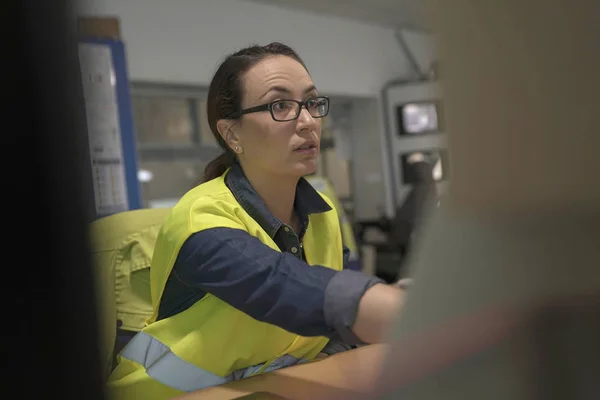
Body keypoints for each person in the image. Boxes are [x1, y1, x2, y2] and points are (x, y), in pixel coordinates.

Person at [107, 42, 404, 399]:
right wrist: (413, 315)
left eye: (311, 102)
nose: (308, 122)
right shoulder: (201, 216)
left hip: (261, 385)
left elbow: (319, 331)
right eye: (280, 105)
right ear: (232, 134)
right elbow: (278, 285)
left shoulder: (321, 210)